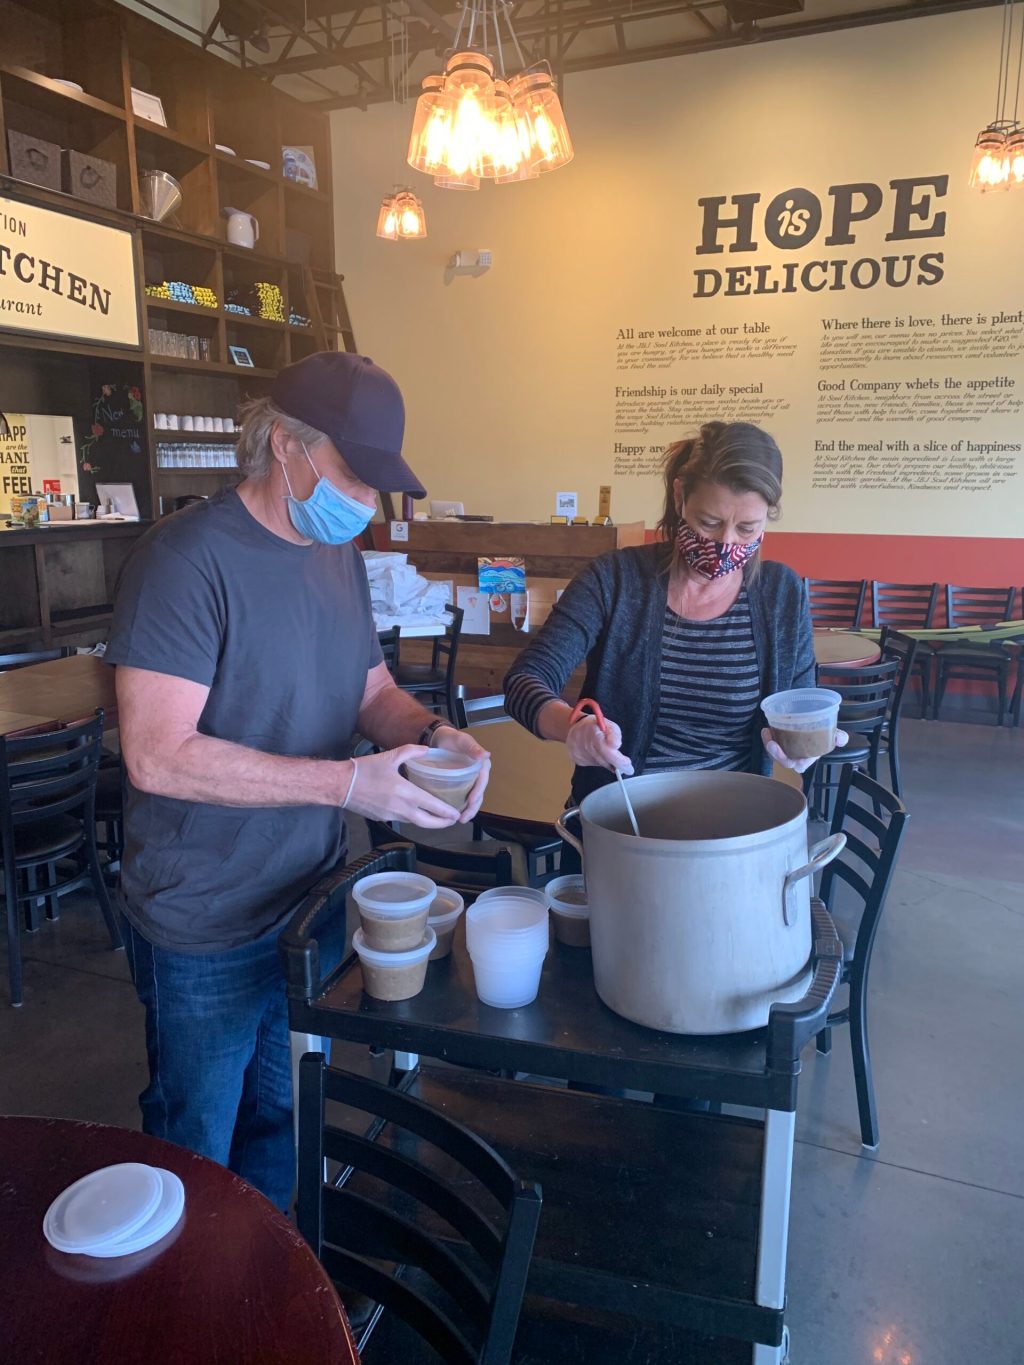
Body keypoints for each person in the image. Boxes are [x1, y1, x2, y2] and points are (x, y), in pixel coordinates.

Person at [105, 351, 489, 1211]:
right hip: (200, 917)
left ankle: (267, 1302)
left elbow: (371, 690)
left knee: (282, 1124)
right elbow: (156, 754)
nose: (366, 504)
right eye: (354, 476)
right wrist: (349, 786)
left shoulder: (335, 556)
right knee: (192, 1144)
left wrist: (432, 734)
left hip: (305, 902)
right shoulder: (183, 559)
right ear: (286, 446)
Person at [506, 419, 845, 796]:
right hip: (622, 818)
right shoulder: (615, 579)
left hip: (734, 823)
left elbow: (799, 701)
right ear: (681, 496)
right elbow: (524, 681)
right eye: (709, 522)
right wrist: (573, 729)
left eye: (747, 529)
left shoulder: (782, 593)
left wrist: (802, 740)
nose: (726, 542)